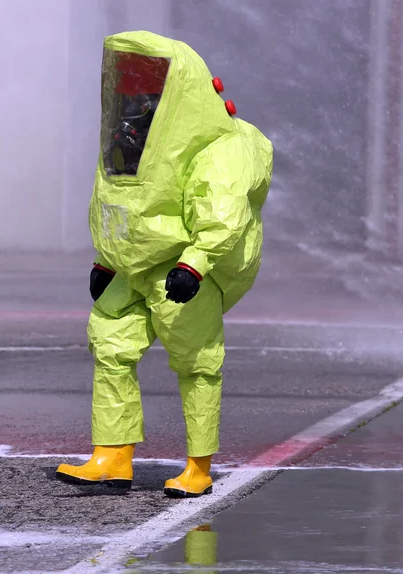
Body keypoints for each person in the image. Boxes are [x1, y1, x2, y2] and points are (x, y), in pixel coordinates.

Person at [56, 30, 273, 498]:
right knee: (110, 347)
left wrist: (194, 265)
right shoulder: (130, 135)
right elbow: (117, 202)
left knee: (196, 363)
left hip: (183, 266)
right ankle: (112, 457)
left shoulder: (218, 149)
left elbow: (221, 215)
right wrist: (106, 260)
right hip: (132, 264)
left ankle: (198, 466)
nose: (132, 101)